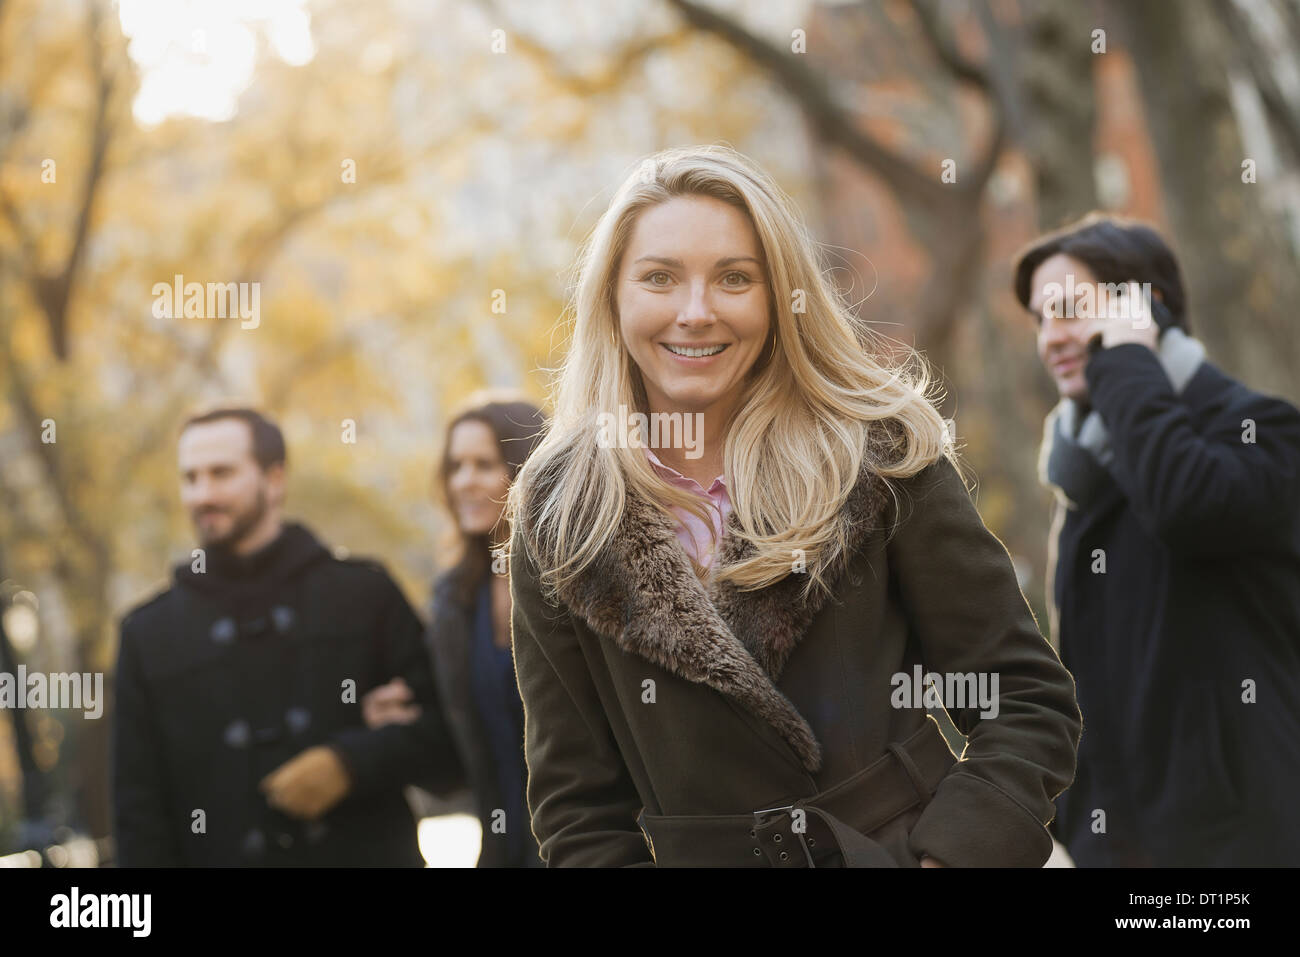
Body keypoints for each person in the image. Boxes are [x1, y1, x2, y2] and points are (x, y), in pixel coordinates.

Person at [504, 144, 1082, 867]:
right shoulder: (563, 515)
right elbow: (578, 808)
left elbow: (1022, 698)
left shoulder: (877, 452)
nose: (695, 311)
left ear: (779, 297)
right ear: (612, 298)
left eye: (734, 278)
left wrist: (950, 859)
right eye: (659, 278)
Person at [1014, 212, 1300, 866]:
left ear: (1145, 310)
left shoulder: (1264, 431)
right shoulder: (1085, 484)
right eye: (1038, 318)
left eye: (1067, 310)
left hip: (1245, 848)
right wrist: (1075, 815)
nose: (1049, 338)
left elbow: (1187, 506)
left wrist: (1124, 363)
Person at [112, 407, 464, 866]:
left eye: (221, 473)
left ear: (274, 478)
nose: (202, 494)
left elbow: (449, 743)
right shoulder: (147, 633)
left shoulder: (365, 593)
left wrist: (351, 762)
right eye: (190, 478)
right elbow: (138, 815)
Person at [363, 393, 546, 867]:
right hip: (503, 851)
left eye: (484, 464)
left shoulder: (576, 579)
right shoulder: (454, 602)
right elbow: (456, 760)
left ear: (528, 468)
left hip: (594, 848)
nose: (463, 482)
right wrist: (402, 720)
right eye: (455, 466)